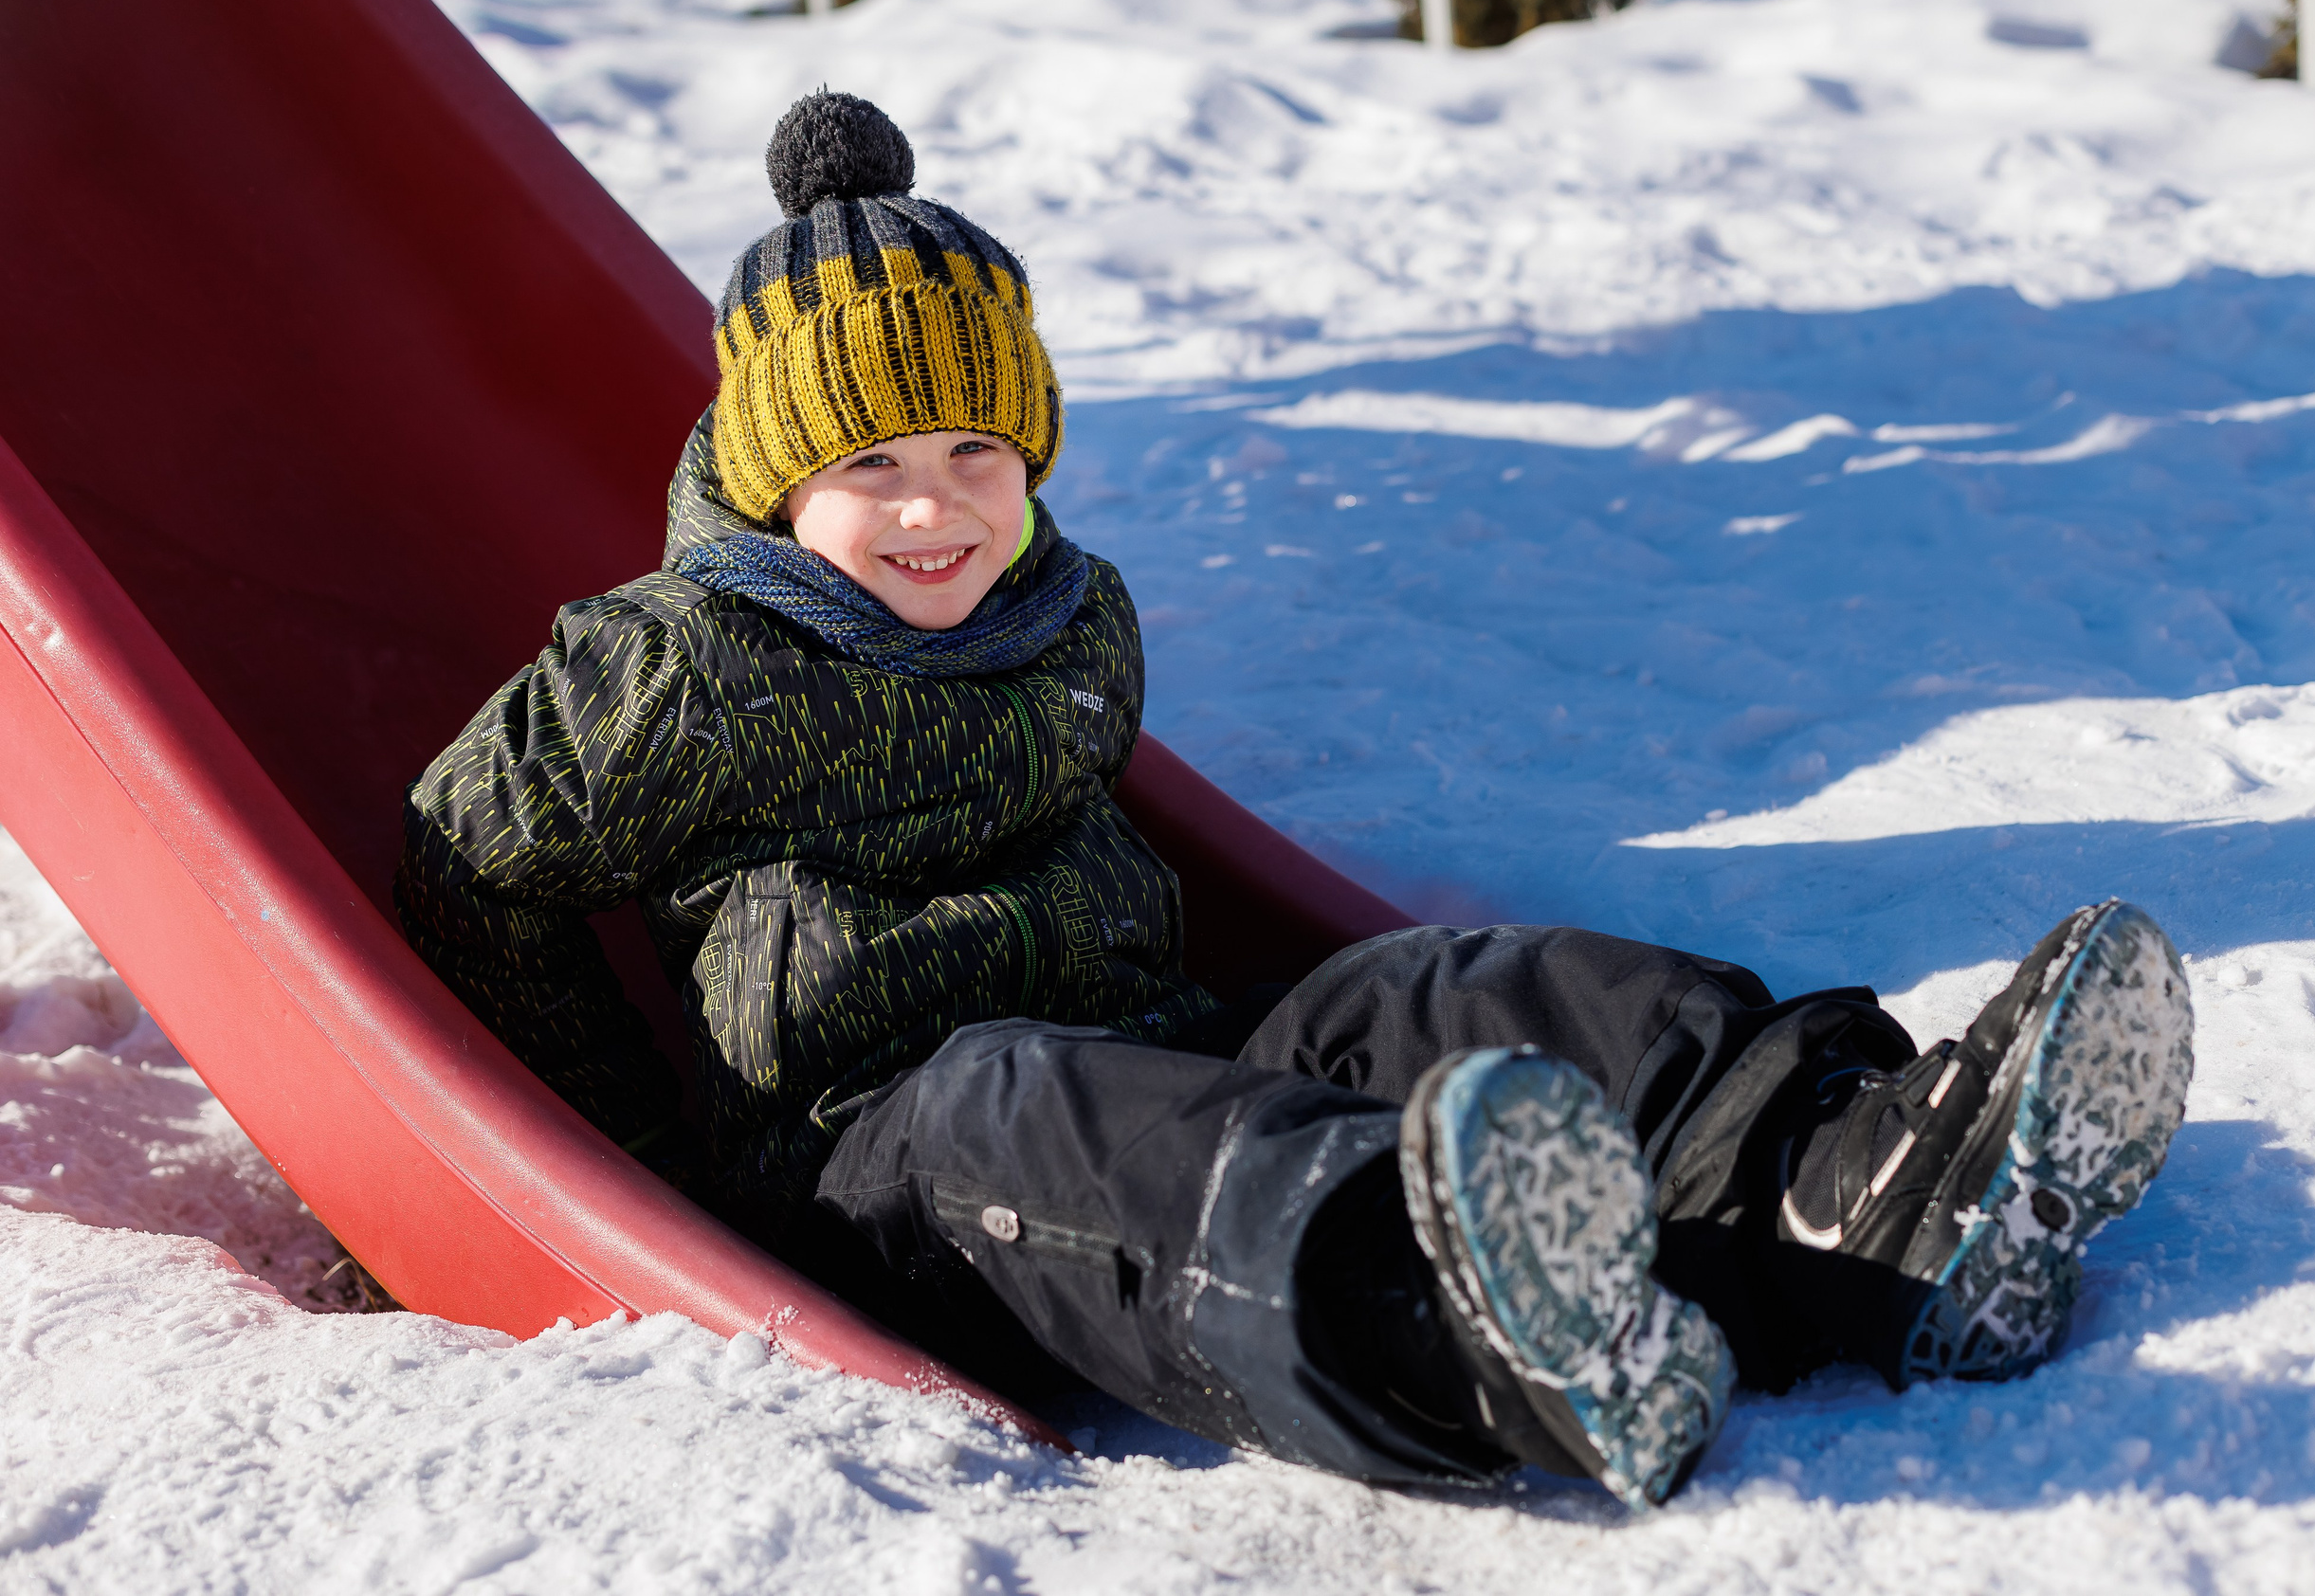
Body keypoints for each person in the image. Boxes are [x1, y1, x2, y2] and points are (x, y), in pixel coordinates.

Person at [397, 92, 2196, 1510]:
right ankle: (1456, 1320)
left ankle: (1855, 1188)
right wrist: (623, 1166)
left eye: (976, 450)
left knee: (1431, 987)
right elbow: (467, 864)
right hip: (886, 1172)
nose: (933, 506)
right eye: (869, 463)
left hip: (1162, 1052)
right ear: (777, 482)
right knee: (1010, 1097)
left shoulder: (1066, 614)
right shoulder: (680, 668)